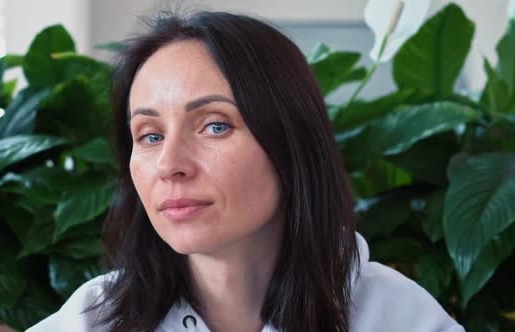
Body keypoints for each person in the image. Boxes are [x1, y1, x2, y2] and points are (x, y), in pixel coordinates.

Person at [27, 10, 465, 332]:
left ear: (290, 143)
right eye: (150, 135)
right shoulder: (92, 320)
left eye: (215, 126)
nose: (169, 165)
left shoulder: (398, 317)